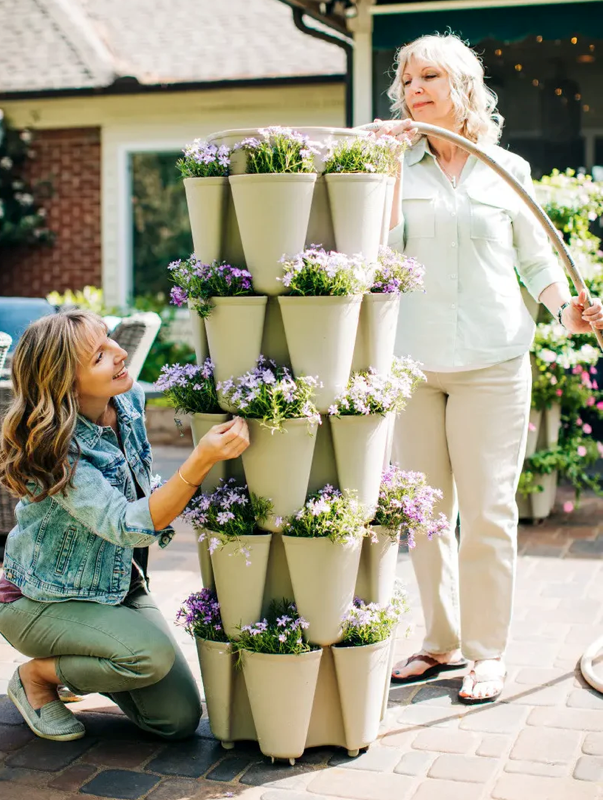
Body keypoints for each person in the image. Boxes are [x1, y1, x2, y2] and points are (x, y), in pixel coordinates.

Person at [374, 33, 603, 704]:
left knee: (489, 513)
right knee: (426, 516)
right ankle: (440, 641)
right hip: (414, 366)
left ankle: (486, 652)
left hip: (493, 362)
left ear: (463, 88)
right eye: (406, 79)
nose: (414, 88)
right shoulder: (392, 164)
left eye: (428, 76)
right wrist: (386, 169)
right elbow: (380, 254)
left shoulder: (506, 168)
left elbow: (535, 260)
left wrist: (567, 310)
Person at [0, 310, 249, 741]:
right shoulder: (56, 449)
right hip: (40, 601)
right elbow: (125, 524)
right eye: (99, 356)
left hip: (115, 585)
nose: (119, 353)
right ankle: (36, 677)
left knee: (175, 720)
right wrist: (200, 461)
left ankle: (89, 659)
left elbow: (140, 484)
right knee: (149, 656)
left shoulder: (127, 401)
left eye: (110, 339)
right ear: (65, 384)